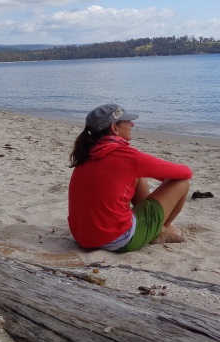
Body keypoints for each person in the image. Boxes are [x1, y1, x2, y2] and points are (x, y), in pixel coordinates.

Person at [67, 103, 192, 252]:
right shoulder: (125, 156)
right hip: (117, 240)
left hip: (83, 237)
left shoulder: (87, 153)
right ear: (115, 128)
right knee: (182, 183)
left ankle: (158, 228)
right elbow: (185, 172)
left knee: (137, 177)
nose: (132, 124)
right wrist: (164, 179)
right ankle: (160, 231)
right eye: (127, 122)